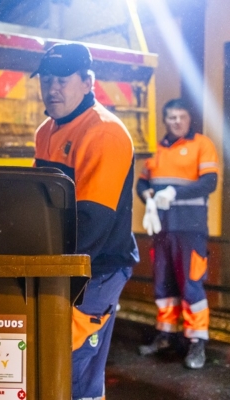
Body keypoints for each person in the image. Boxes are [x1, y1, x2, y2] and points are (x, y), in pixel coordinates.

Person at [32, 43, 139, 400]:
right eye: (46, 80)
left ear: (88, 81)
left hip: (97, 267)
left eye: (62, 80)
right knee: (66, 365)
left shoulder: (103, 133)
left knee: (69, 361)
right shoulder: (46, 131)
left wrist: (45, 268)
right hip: (66, 263)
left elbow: (92, 224)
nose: (53, 89)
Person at [136, 98, 218, 369]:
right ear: (165, 120)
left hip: (190, 229)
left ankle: (196, 343)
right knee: (162, 285)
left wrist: (173, 192)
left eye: (182, 117)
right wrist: (146, 196)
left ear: (189, 119)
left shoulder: (201, 145)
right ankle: (166, 334)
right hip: (161, 229)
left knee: (191, 284)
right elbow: (142, 182)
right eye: (171, 117)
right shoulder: (155, 150)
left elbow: (209, 182)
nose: (177, 122)